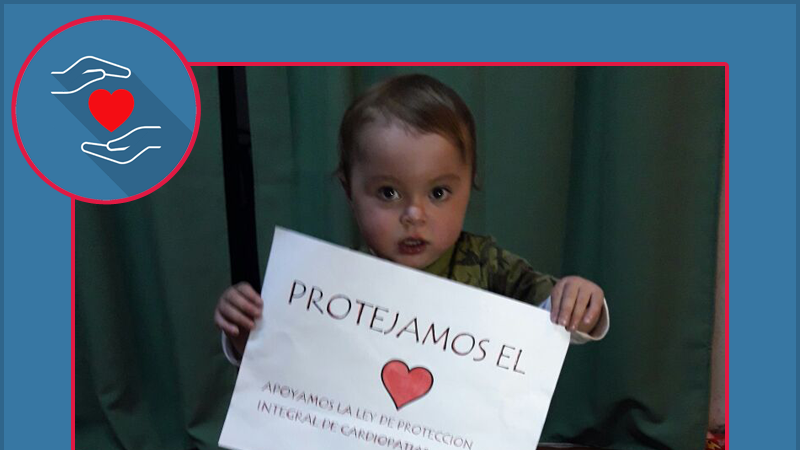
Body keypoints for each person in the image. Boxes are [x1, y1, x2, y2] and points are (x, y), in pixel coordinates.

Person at [214, 74, 609, 365]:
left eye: (438, 193)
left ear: (470, 186)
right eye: (388, 193)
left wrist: (580, 303)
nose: (414, 215)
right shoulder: (333, 284)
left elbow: (553, 316)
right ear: (350, 192)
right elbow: (287, 363)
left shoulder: (488, 264)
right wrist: (246, 334)